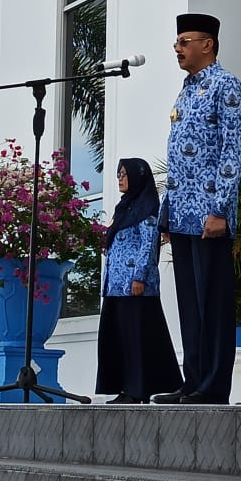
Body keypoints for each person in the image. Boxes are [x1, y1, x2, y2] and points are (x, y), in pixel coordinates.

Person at [152, 12, 241, 405]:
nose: (177, 48)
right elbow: (177, 162)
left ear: (207, 44)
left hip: (210, 215)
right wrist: (167, 216)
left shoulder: (226, 86)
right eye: (177, 41)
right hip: (183, 214)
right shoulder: (186, 91)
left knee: (213, 304)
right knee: (189, 306)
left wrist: (220, 209)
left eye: (184, 40)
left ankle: (212, 386)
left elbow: (231, 151)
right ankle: (192, 383)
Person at [95, 158, 182, 404]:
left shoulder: (147, 207)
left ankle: (138, 390)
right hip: (115, 286)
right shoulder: (125, 208)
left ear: (138, 175)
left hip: (136, 286)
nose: (120, 178)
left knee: (138, 338)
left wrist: (139, 277)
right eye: (118, 173)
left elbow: (148, 244)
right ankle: (126, 388)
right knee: (120, 337)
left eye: (124, 173)